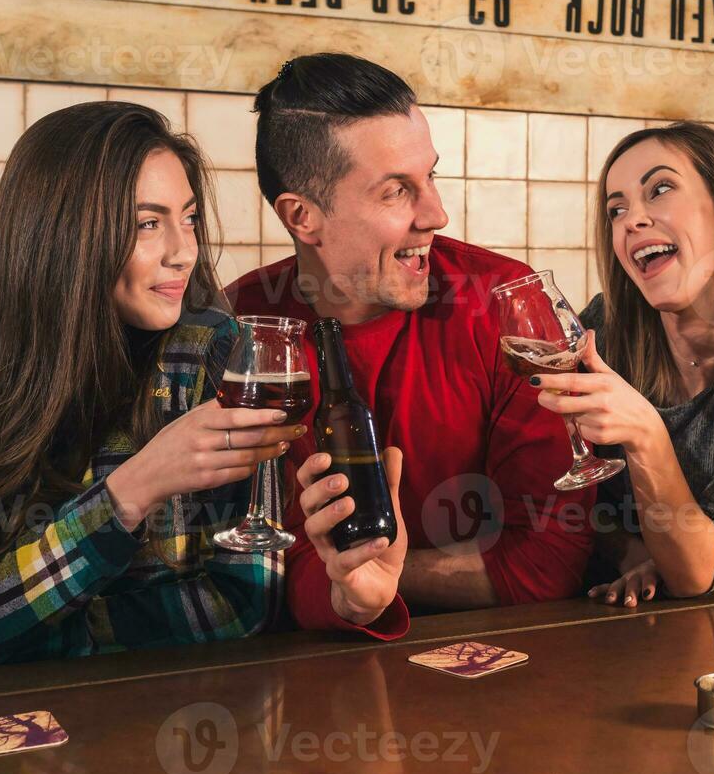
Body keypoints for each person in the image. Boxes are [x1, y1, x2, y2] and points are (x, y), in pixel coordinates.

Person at [0, 102, 409, 667]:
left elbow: (241, 603)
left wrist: (36, 632)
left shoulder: (212, 356)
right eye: (147, 224)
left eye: (190, 219)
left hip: (189, 726)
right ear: (63, 237)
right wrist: (129, 493)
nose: (184, 252)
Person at [228, 53, 594, 610]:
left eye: (430, 177)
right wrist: (345, 593)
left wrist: (373, 582)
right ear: (302, 216)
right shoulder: (241, 329)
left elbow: (547, 562)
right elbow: (257, 566)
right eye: (396, 191)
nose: (436, 214)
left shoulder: (501, 302)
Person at [530, 122, 714, 605]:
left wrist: (645, 433)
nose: (631, 220)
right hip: (595, 617)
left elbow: (702, 570)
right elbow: (551, 494)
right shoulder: (603, 326)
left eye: (659, 190)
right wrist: (630, 551)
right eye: (616, 210)